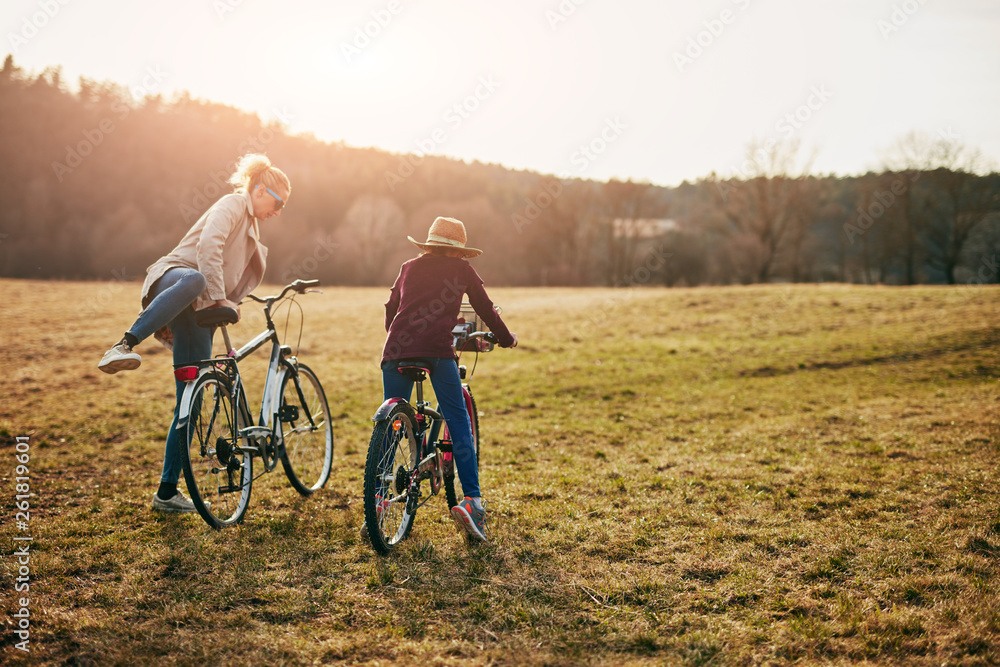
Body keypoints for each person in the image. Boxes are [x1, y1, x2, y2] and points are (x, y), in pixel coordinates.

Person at [97, 153, 290, 513]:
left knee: (192, 396)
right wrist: (218, 296)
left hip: (196, 307)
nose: (278, 212)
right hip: (177, 278)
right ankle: (123, 344)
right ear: (260, 190)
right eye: (278, 203)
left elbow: (231, 271)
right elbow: (207, 248)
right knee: (196, 277)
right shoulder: (233, 203)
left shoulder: (251, 225)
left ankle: (167, 491)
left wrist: (228, 302)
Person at [379, 216, 517, 542]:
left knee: (391, 424)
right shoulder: (461, 271)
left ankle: (378, 500)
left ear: (428, 246)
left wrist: (400, 337)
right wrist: (507, 338)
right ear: (458, 252)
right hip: (437, 354)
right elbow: (485, 308)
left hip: (396, 350)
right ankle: (473, 503)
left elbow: (391, 307)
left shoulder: (408, 267)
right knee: (457, 420)